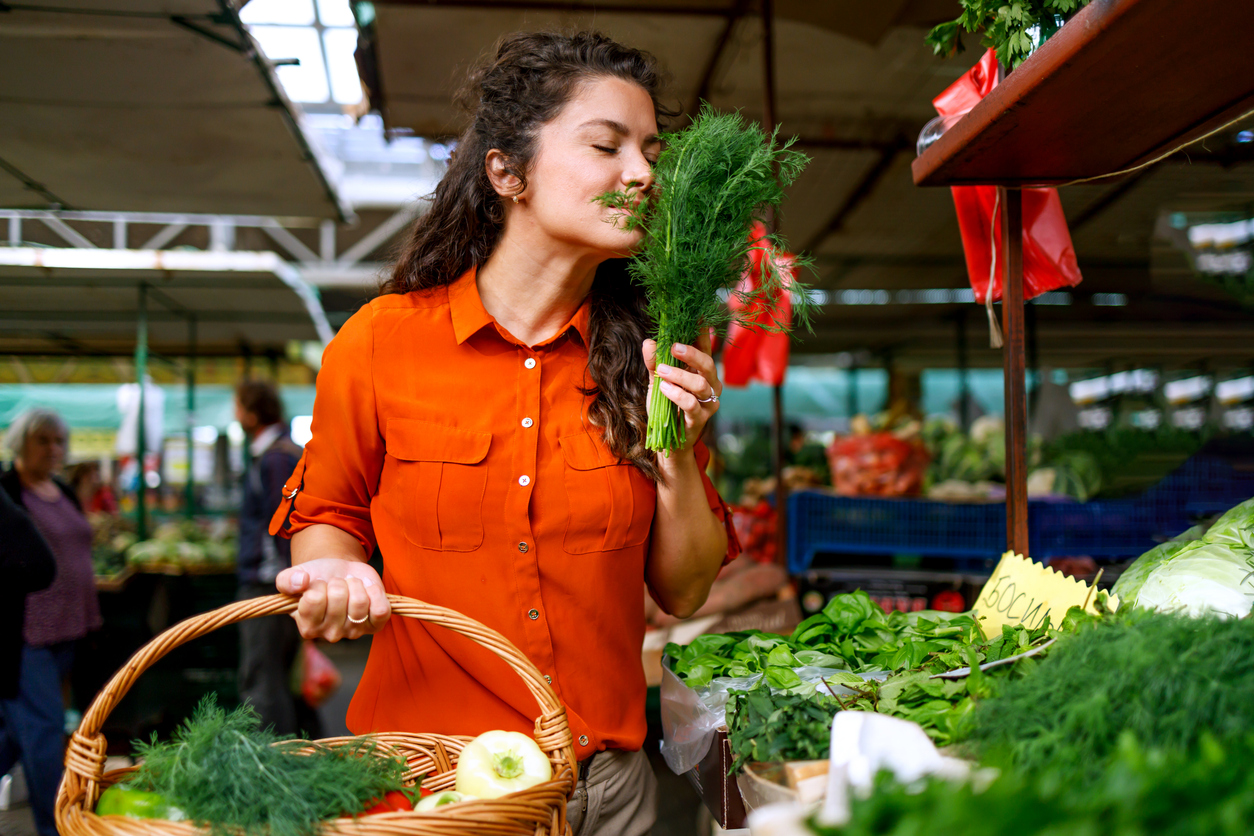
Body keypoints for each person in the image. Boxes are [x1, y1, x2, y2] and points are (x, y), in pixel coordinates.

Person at [269, 31, 739, 835]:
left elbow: (685, 590)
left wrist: (674, 454)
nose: (644, 174)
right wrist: (334, 579)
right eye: (606, 145)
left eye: (650, 150)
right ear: (506, 171)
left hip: (610, 791)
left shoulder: (655, 353)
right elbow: (327, 519)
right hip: (433, 789)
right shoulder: (380, 343)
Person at [0, 408, 101, 836]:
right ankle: (53, 825)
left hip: (68, 627)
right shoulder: (7, 489)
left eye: (59, 440)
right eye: (43, 440)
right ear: (20, 442)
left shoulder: (60, 488)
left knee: (13, 731)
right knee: (42, 731)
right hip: (26, 632)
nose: (53, 449)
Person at [233, 380, 319, 738]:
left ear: (251, 414)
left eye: (237, 406)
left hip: (270, 585)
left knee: (263, 680)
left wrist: (295, 585)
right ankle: (307, 752)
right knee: (278, 678)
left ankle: (273, 763)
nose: (235, 414)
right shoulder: (278, 453)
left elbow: (283, 523)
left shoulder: (276, 457)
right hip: (278, 582)